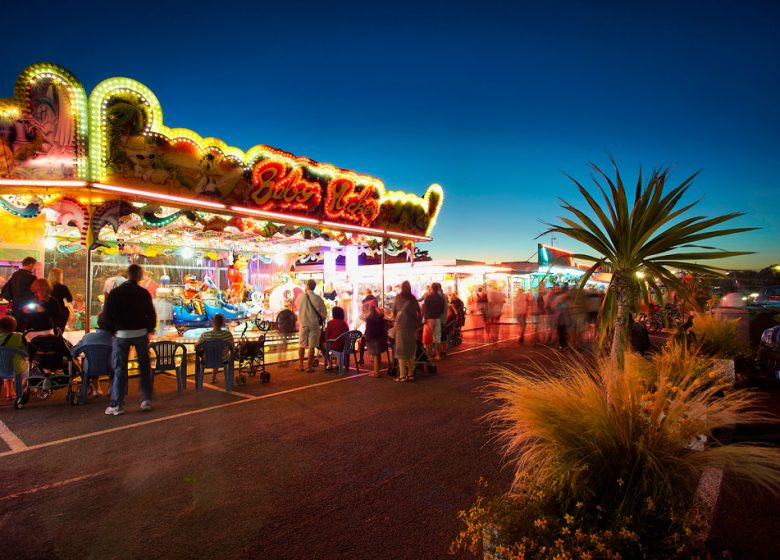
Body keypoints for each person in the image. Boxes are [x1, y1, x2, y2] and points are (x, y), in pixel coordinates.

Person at [102, 264, 157, 415]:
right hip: (140, 333)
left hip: (122, 334)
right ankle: (146, 399)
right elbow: (151, 314)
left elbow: (107, 314)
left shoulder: (115, 293)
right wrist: (149, 328)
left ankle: (117, 404)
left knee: (120, 368)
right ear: (138, 276)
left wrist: (112, 329)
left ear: (128, 275)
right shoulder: (143, 293)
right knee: (144, 367)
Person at [71, 313, 114, 397]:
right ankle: (111, 388)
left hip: (91, 368)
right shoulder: (115, 340)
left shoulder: (88, 338)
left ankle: (96, 388)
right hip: (110, 368)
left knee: (89, 361)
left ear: (98, 323)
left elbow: (73, 352)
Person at [295, 279, 327, 373]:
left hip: (303, 323)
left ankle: (301, 365)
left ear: (307, 286)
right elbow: (324, 313)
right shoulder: (318, 298)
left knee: (301, 344)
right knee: (312, 346)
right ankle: (309, 366)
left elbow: (297, 307)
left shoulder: (300, 297)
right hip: (314, 324)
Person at [393, 280, 422, 382]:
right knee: (410, 352)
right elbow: (419, 312)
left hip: (401, 327)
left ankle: (402, 375)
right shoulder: (413, 299)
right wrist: (417, 324)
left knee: (401, 351)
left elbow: (394, 312)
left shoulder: (398, 298)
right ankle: (411, 374)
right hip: (412, 328)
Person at [1, 256, 37, 331]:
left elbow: (7, 290)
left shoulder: (14, 275)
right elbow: (35, 293)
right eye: (34, 266)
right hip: (28, 308)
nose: (33, 268)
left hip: (15, 307)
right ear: (30, 265)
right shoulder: (32, 278)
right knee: (27, 329)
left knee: (16, 327)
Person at [197, 313, 234, 384]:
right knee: (218, 353)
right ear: (223, 323)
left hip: (208, 359)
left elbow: (197, 346)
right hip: (223, 359)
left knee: (212, 353)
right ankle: (214, 378)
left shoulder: (205, 335)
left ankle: (201, 383)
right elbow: (232, 347)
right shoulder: (228, 334)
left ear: (212, 322)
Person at [0, 316, 26, 401]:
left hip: (1, 369)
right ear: (14, 326)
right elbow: (27, 352)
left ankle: (9, 393)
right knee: (32, 367)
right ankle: (21, 392)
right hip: (16, 369)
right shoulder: (19, 336)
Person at [422, 282, 446, 360]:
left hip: (429, 319)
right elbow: (442, 309)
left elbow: (425, 309)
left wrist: (424, 319)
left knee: (428, 338)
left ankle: (428, 355)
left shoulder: (428, 297)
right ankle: (438, 355)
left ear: (431, 288)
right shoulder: (440, 298)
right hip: (437, 318)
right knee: (438, 338)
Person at [324, 306, 349, 370]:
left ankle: (329, 364)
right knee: (338, 342)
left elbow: (326, 337)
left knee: (322, 345)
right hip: (345, 346)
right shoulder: (345, 323)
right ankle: (338, 363)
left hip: (335, 347)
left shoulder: (330, 323)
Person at [48, 268, 73, 332]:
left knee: (50, 331)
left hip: (49, 312)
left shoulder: (47, 287)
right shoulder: (63, 287)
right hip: (61, 312)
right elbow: (70, 299)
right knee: (59, 332)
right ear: (59, 276)